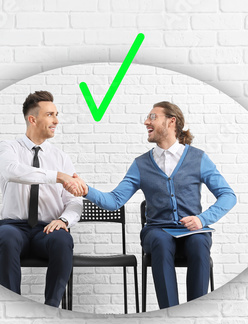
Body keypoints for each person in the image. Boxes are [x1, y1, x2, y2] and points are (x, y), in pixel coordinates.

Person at [68, 101, 236, 309]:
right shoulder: (141, 164)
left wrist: (202, 220)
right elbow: (115, 200)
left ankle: (195, 314)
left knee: (199, 244)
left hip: (192, 230)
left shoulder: (198, 158)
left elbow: (228, 195)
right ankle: (170, 314)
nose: (146, 121)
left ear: (171, 121)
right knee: (161, 242)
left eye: (153, 117)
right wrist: (86, 190)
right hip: (157, 230)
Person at [0, 90, 86, 307]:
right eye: (50, 115)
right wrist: (57, 177)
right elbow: (12, 171)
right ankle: (12, 308)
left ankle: (51, 307)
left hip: (47, 229)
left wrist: (63, 221)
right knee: (5, 237)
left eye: (56, 114)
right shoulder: (9, 148)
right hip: (14, 226)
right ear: (32, 119)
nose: (56, 120)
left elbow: (74, 201)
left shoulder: (61, 157)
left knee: (63, 239)